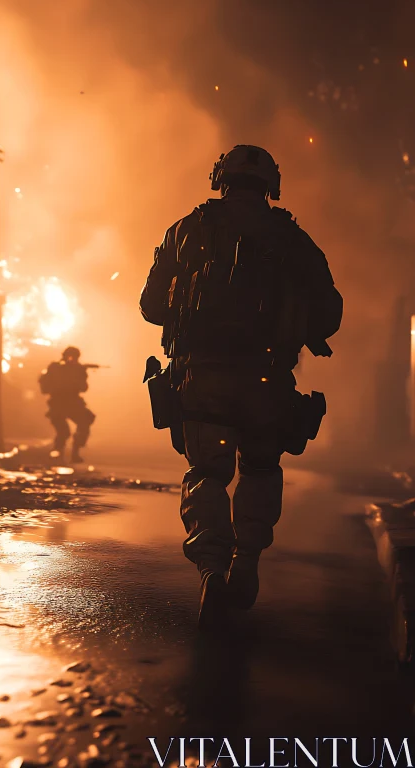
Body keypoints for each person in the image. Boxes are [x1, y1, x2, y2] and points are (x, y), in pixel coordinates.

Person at [140, 144, 343, 629]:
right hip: (266, 379)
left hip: (203, 374)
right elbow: (329, 315)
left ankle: (211, 568)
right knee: (260, 468)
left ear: (220, 179)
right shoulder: (293, 239)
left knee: (207, 473)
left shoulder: (186, 231)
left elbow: (151, 305)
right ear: (271, 186)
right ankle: (246, 562)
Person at [39, 346, 96, 463]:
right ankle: (58, 453)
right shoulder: (56, 368)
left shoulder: (73, 369)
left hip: (70, 402)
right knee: (64, 432)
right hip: (59, 403)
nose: (72, 359)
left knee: (85, 422)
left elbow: (83, 387)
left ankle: (73, 452)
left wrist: (81, 373)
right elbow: (45, 385)